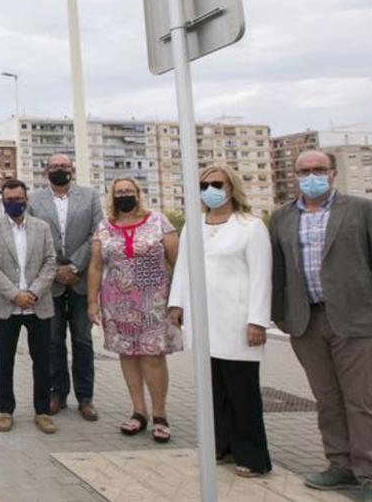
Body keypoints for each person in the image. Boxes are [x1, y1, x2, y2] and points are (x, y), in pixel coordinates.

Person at [269, 150, 372, 498]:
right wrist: (280, 315)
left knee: (362, 400)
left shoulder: (362, 210)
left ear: (332, 173)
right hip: (308, 321)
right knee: (327, 399)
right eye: (304, 171)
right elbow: (279, 270)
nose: (310, 176)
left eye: (318, 170)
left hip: (356, 320)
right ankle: (340, 465)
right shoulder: (282, 218)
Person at [167, 165, 272, 478]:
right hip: (204, 320)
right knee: (213, 390)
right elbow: (183, 266)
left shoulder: (250, 227)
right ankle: (220, 445)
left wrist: (257, 320)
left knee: (242, 391)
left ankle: (253, 456)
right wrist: (177, 302)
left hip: (237, 320)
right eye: (204, 184)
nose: (210, 189)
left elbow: (261, 276)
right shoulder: (193, 225)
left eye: (216, 183)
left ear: (231, 188)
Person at [87, 177, 180, 443]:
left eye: (129, 191)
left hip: (154, 303)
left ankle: (160, 414)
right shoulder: (104, 228)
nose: (124, 195)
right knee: (127, 355)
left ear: (138, 194)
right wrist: (92, 302)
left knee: (152, 356)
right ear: (112, 197)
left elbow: (178, 262)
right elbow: (95, 267)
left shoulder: (159, 222)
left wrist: (179, 301)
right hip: (117, 304)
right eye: (119, 192)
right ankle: (139, 411)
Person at [29, 154, 102, 421]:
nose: (59, 170)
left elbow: (97, 233)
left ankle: (85, 398)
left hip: (82, 279)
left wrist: (74, 266)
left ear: (72, 169)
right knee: (52, 341)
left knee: (82, 340)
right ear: (45, 170)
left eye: (64, 166)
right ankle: (57, 393)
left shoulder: (90, 196)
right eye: (54, 166)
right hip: (50, 282)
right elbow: (32, 237)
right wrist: (55, 270)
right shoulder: (34, 200)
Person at [0, 180, 58, 434]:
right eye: (8, 199)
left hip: (38, 304)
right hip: (6, 305)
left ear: (26, 199)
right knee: (4, 361)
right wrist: (15, 295)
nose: (14, 202)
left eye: (18, 198)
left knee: (42, 360)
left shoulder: (42, 228)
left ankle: (43, 411)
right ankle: (6, 410)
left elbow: (50, 263)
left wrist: (33, 292)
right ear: (2, 201)